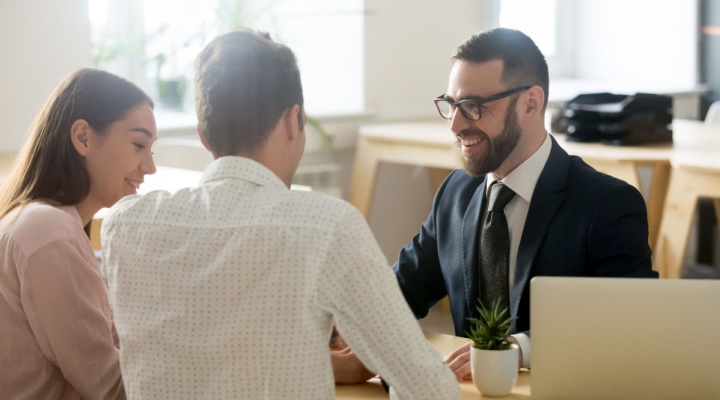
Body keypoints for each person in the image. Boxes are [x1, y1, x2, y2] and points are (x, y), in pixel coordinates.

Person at [100, 28, 458, 400]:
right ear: (294, 120)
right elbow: (430, 389)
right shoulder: (327, 226)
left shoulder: (123, 225)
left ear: (204, 135)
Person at [335, 27, 658, 382]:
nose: (456, 124)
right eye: (451, 104)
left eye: (473, 107)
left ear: (531, 103)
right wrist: (344, 326)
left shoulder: (607, 204)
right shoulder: (456, 193)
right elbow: (401, 289)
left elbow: (631, 323)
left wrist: (519, 349)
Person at [0, 68, 157, 399]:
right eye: (139, 144)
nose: (150, 167)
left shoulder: (44, 222)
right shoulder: (49, 232)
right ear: (83, 137)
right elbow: (111, 388)